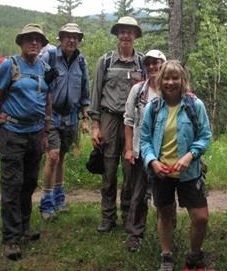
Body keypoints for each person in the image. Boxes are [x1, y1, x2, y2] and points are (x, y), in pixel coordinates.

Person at [0, 23, 52, 260]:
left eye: (38, 40)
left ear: (43, 45)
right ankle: (11, 238)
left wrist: (45, 132)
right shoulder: (9, 66)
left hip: (35, 134)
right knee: (12, 185)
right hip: (12, 133)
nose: (34, 43)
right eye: (29, 39)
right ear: (21, 42)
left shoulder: (45, 68)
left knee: (29, 182)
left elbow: (47, 101)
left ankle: (24, 226)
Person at [141, 60, 212, 271]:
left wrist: (190, 155)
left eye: (175, 78)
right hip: (161, 173)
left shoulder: (194, 105)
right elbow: (144, 140)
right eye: (166, 78)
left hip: (189, 172)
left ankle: (194, 255)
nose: (171, 82)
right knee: (165, 213)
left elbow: (205, 136)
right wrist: (152, 162)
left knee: (201, 217)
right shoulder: (152, 108)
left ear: (183, 81)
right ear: (160, 81)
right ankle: (166, 256)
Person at [89, 16, 145, 232]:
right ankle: (107, 217)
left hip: (133, 121)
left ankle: (128, 216)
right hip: (109, 119)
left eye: (130, 32)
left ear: (135, 36)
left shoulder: (141, 63)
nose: (125, 35)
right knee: (109, 171)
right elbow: (95, 94)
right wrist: (95, 125)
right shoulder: (105, 62)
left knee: (130, 171)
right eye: (122, 31)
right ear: (117, 34)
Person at [38, 23, 90, 221]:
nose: (72, 40)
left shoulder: (81, 62)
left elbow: (84, 92)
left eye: (75, 37)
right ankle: (46, 203)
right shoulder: (49, 57)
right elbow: (37, 84)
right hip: (51, 115)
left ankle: (59, 198)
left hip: (71, 117)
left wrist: (85, 119)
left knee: (62, 157)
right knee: (52, 156)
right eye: (68, 36)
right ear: (60, 38)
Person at [123, 49, 167, 252]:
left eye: (156, 63)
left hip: (166, 151)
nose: (152, 67)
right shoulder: (138, 90)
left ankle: (166, 231)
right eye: (148, 63)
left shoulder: (171, 89)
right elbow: (129, 121)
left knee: (164, 195)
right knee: (138, 194)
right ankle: (135, 234)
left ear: (163, 64)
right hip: (141, 150)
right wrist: (129, 149)